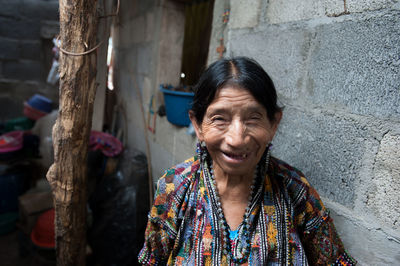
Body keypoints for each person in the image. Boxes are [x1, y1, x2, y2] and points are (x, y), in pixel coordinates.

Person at [138, 57, 356, 265]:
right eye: (219, 119)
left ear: (274, 124)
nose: (236, 139)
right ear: (198, 125)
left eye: (253, 118)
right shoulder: (174, 187)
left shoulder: (294, 190)